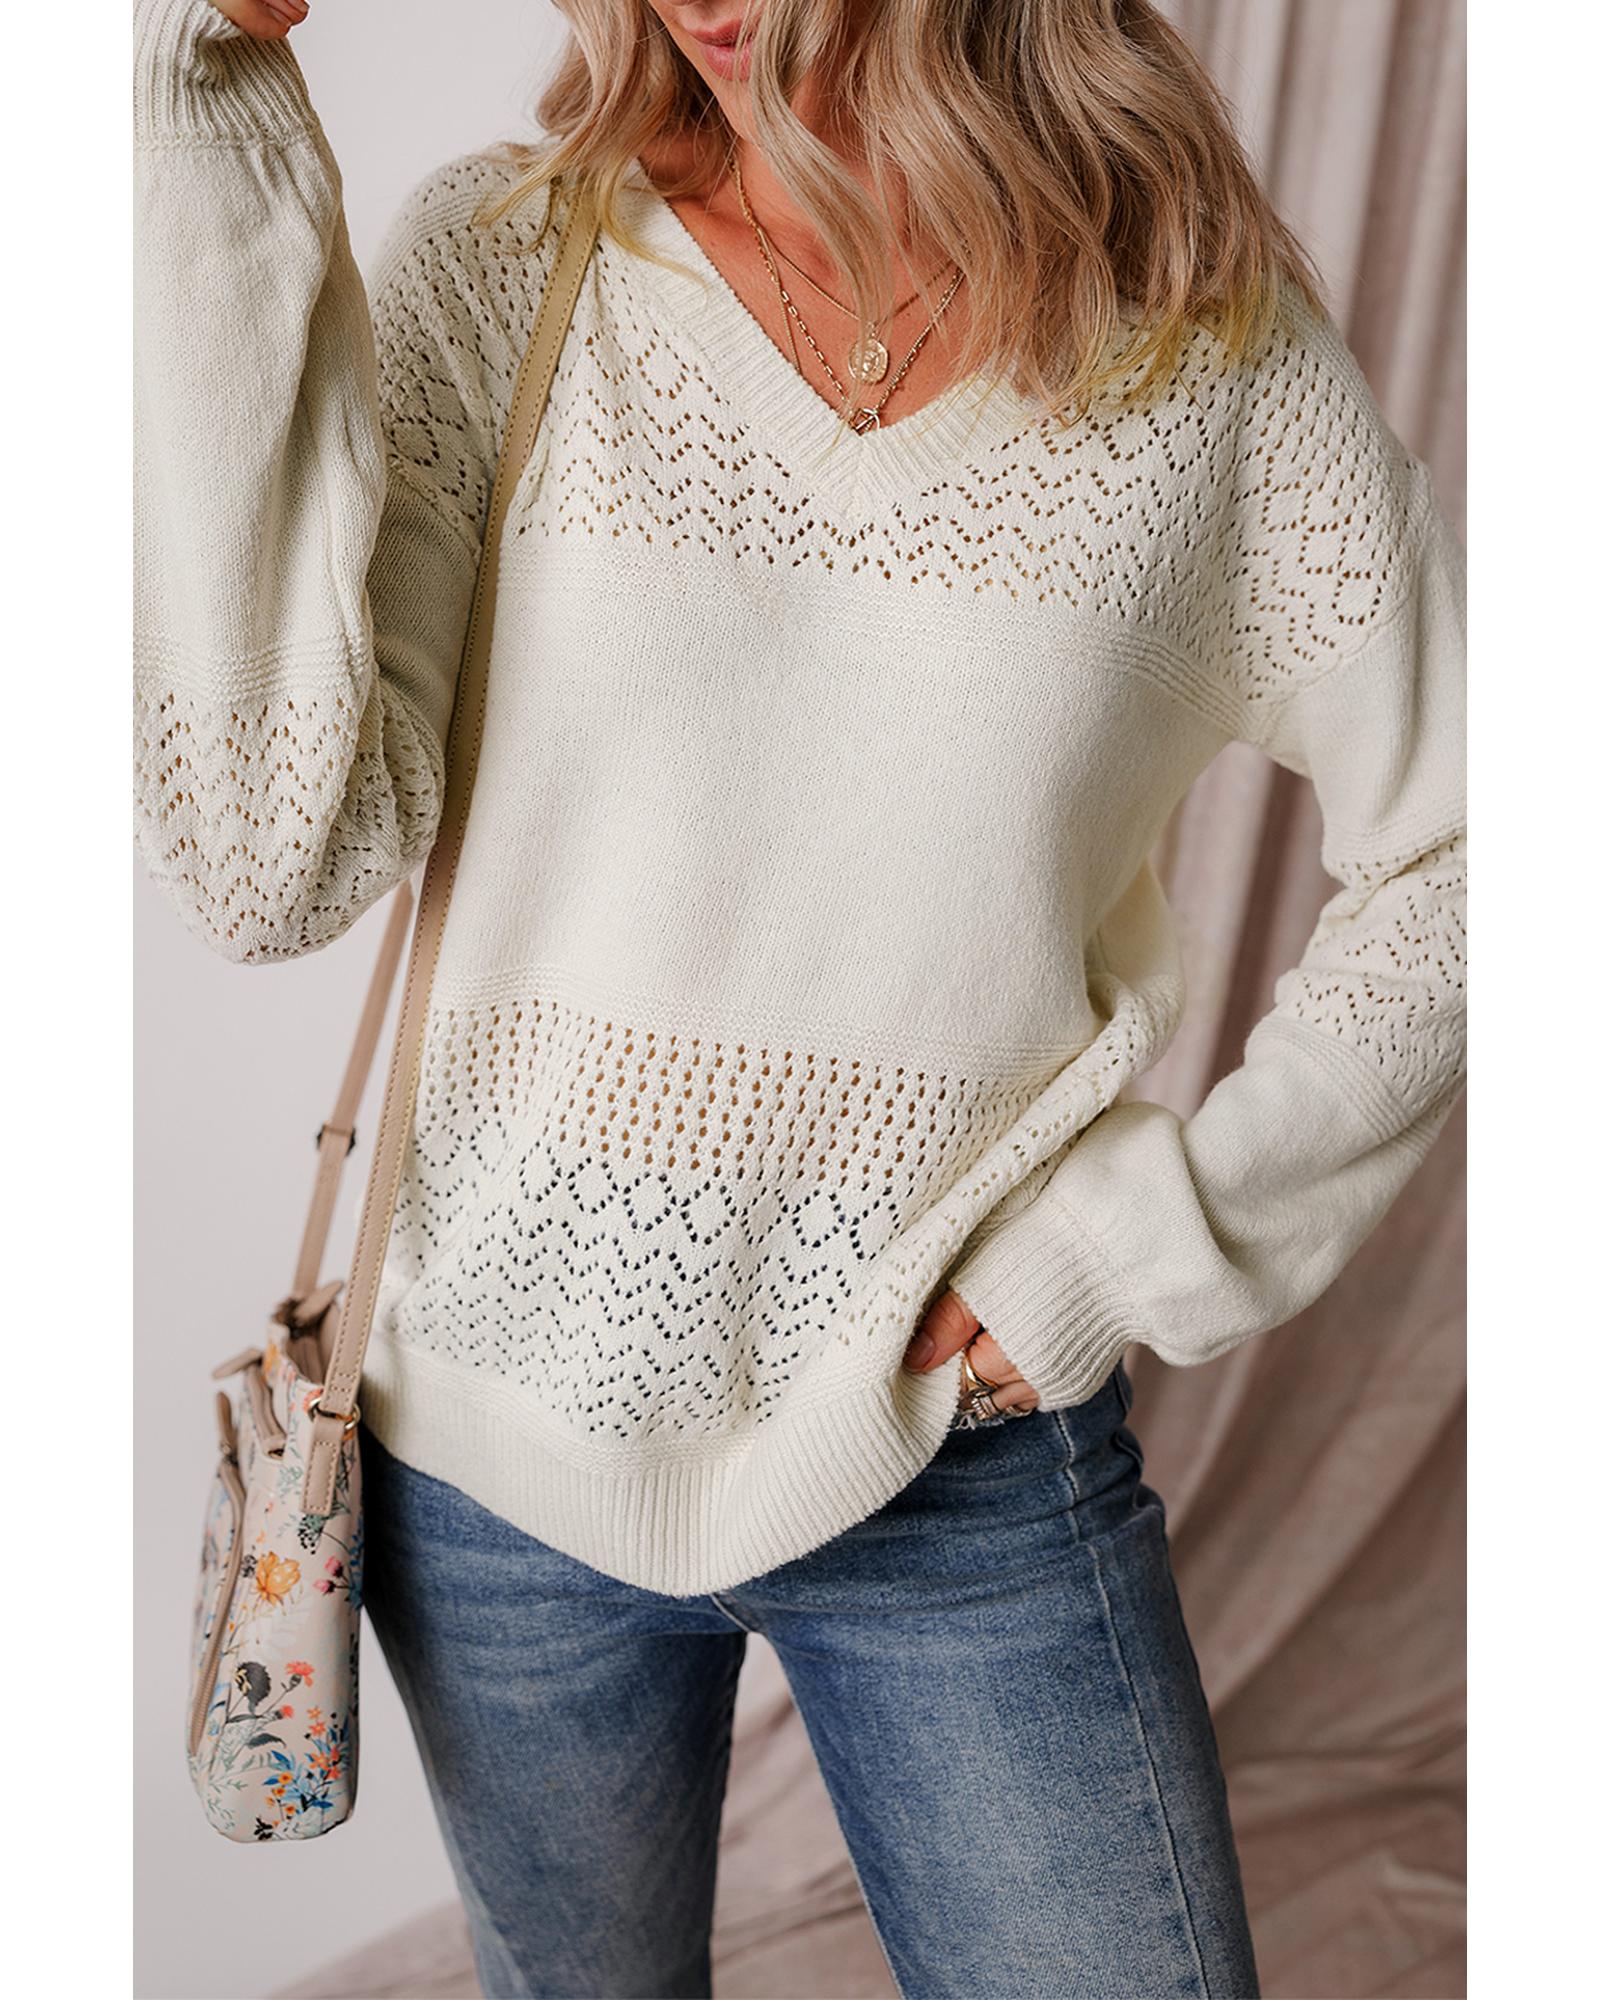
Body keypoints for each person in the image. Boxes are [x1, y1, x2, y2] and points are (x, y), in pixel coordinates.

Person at [133, 1, 1466, 1994]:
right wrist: (205, 124)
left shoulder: (1204, 362)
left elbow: (1477, 839)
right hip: (492, 1460)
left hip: (958, 1455)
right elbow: (270, 861)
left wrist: (1128, 1251)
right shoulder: (507, 265)